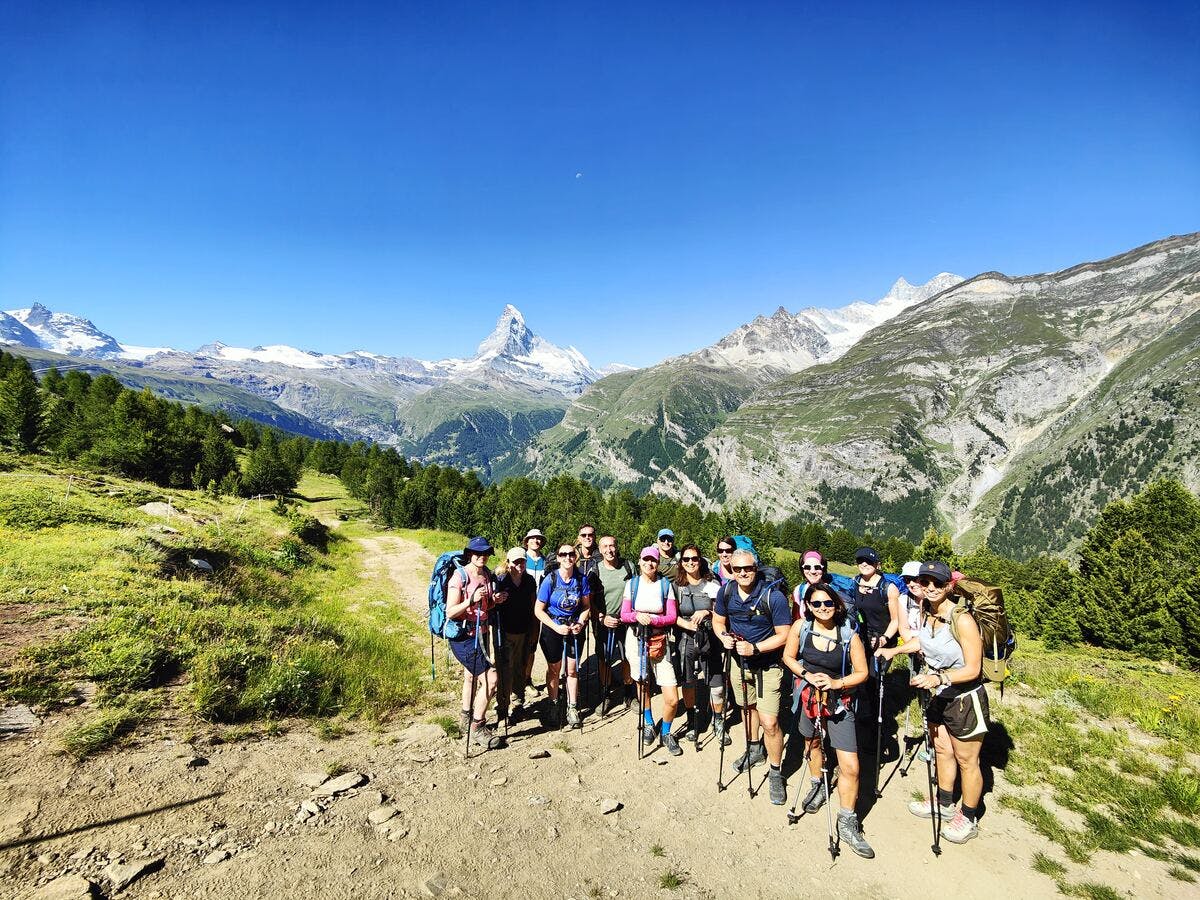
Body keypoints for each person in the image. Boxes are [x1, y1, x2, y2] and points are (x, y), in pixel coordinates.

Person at [878, 560, 990, 844]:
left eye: (937, 583)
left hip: (963, 698)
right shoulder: (927, 612)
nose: (930, 588)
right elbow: (923, 644)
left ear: (949, 585)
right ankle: (943, 801)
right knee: (942, 750)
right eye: (925, 581)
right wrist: (895, 650)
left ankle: (968, 816)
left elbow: (973, 668)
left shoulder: (961, 619)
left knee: (967, 760)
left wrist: (939, 679)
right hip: (937, 695)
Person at [783, 583, 874, 857]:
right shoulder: (801, 628)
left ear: (837, 605)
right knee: (811, 745)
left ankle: (847, 820)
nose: (823, 608)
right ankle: (817, 785)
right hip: (809, 697)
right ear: (808, 606)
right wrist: (805, 674)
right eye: (816, 604)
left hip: (839, 703)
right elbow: (788, 656)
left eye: (828, 603)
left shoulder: (849, 635)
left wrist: (836, 683)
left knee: (850, 765)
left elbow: (862, 673)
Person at [713, 549, 792, 804]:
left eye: (748, 568)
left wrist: (756, 648)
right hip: (739, 663)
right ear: (731, 571)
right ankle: (754, 748)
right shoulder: (726, 592)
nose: (743, 573)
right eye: (737, 569)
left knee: (770, 722)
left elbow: (784, 634)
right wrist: (723, 637)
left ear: (756, 568)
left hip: (767, 665)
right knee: (747, 709)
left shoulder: (773, 597)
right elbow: (718, 621)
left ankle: (776, 772)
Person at [621, 546, 681, 756]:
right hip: (636, 638)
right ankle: (648, 723)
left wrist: (654, 619)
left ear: (658, 563)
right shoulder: (632, 584)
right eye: (645, 560)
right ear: (639, 562)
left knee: (672, 697)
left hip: (659, 640)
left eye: (653, 560)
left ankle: (665, 731)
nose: (649, 563)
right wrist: (637, 616)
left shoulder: (665, 585)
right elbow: (624, 614)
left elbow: (672, 617)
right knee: (643, 683)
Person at [445, 537, 503, 750]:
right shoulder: (459, 577)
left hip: (482, 631)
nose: (482, 556)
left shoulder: (487, 574)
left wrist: (495, 599)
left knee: (471, 676)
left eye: (486, 553)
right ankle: (477, 727)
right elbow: (450, 612)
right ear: (469, 553)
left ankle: (465, 717)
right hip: (463, 636)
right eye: (478, 553)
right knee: (491, 678)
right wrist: (470, 600)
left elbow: (487, 604)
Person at [674, 544, 728, 748]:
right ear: (681, 562)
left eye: (694, 559)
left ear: (700, 560)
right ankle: (692, 720)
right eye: (686, 559)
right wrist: (687, 624)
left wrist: (706, 613)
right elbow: (672, 615)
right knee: (688, 681)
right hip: (686, 638)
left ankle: (718, 720)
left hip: (710, 637)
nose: (690, 563)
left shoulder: (712, 582)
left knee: (716, 684)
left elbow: (721, 613)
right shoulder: (676, 586)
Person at [535, 543, 591, 728]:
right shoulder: (550, 580)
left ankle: (572, 706)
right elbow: (538, 610)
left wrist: (581, 623)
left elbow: (586, 606)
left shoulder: (581, 580)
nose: (568, 557)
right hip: (553, 628)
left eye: (571, 554)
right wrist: (555, 626)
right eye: (563, 554)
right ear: (558, 557)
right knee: (554, 668)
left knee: (572, 669)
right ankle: (553, 703)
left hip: (575, 628)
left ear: (576, 557)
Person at [494, 547, 537, 725]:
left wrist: (535, 630)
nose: (520, 565)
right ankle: (502, 708)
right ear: (508, 562)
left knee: (520, 667)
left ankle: (518, 703)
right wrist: (495, 598)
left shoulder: (529, 580)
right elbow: (491, 602)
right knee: (504, 671)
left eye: (522, 561)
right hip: (504, 632)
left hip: (524, 630)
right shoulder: (499, 580)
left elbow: (534, 605)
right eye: (516, 562)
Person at [594, 535, 635, 714]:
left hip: (626, 621)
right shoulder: (595, 570)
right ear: (600, 549)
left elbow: (636, 590)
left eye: (612, 546)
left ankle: (629, 694)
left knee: (628, 657)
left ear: (617, 547)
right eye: (605, 546)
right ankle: (606, 695)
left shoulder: (628, 566)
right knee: (605, 659)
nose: (609, 550)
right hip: (604, 621)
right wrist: (601, 617)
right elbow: (589, 600)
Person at [521, 528, 549, 698]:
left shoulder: (547, 561)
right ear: (527, 541)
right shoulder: (520, 558)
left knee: (532, 645)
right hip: (521, 607)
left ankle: (526, 680)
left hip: (539, 609)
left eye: (538, 539)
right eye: (532, 538)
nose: (536, 541)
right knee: (516, 645)